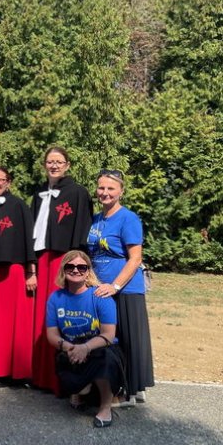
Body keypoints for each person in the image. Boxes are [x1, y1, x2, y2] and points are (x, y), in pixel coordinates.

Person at [88, 169, 154, 406]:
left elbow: (135, 258)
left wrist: (115, 286)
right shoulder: (95, 219)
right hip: (101, 289)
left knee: (127, 340)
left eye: (110, 189)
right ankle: (112, 386)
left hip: (125, 290)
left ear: (121, 192)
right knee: (109, 340)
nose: (105, 193)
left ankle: (130, 391)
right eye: (101, 188)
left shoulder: (128, 219)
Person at [31, 146, 93, 394]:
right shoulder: (38, 195)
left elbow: (82, 230)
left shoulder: (78, 193)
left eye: (59, 162)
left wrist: (76, 265)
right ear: (45, 165)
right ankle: (40, 375)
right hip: (42, 260)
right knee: (43, 316)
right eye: (50, 161)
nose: (54, 165)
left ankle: (64, 380)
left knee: (63, 315)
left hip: (64, 261)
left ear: (67, 165)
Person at [46, 250, 125, 428]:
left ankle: (105, 407)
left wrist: (86, 348)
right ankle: (80, 390)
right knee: (68, 368)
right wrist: (70, 348)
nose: (76, 270)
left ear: (88, 271)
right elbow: (51, 335)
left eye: (82, 267)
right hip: (71, 349)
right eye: (70, 266)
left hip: (100, 349)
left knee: (104, 360)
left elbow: (108, 334)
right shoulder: (55, 298)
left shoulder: (100, 296)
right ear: (63, 270)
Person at [0, 167, 37, 386]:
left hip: (14, 271)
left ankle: (18, 373)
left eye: (0, 180)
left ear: (8, 182)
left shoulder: (19, 205)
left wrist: (31, 272)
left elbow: (29, 239)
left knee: (14, 322)